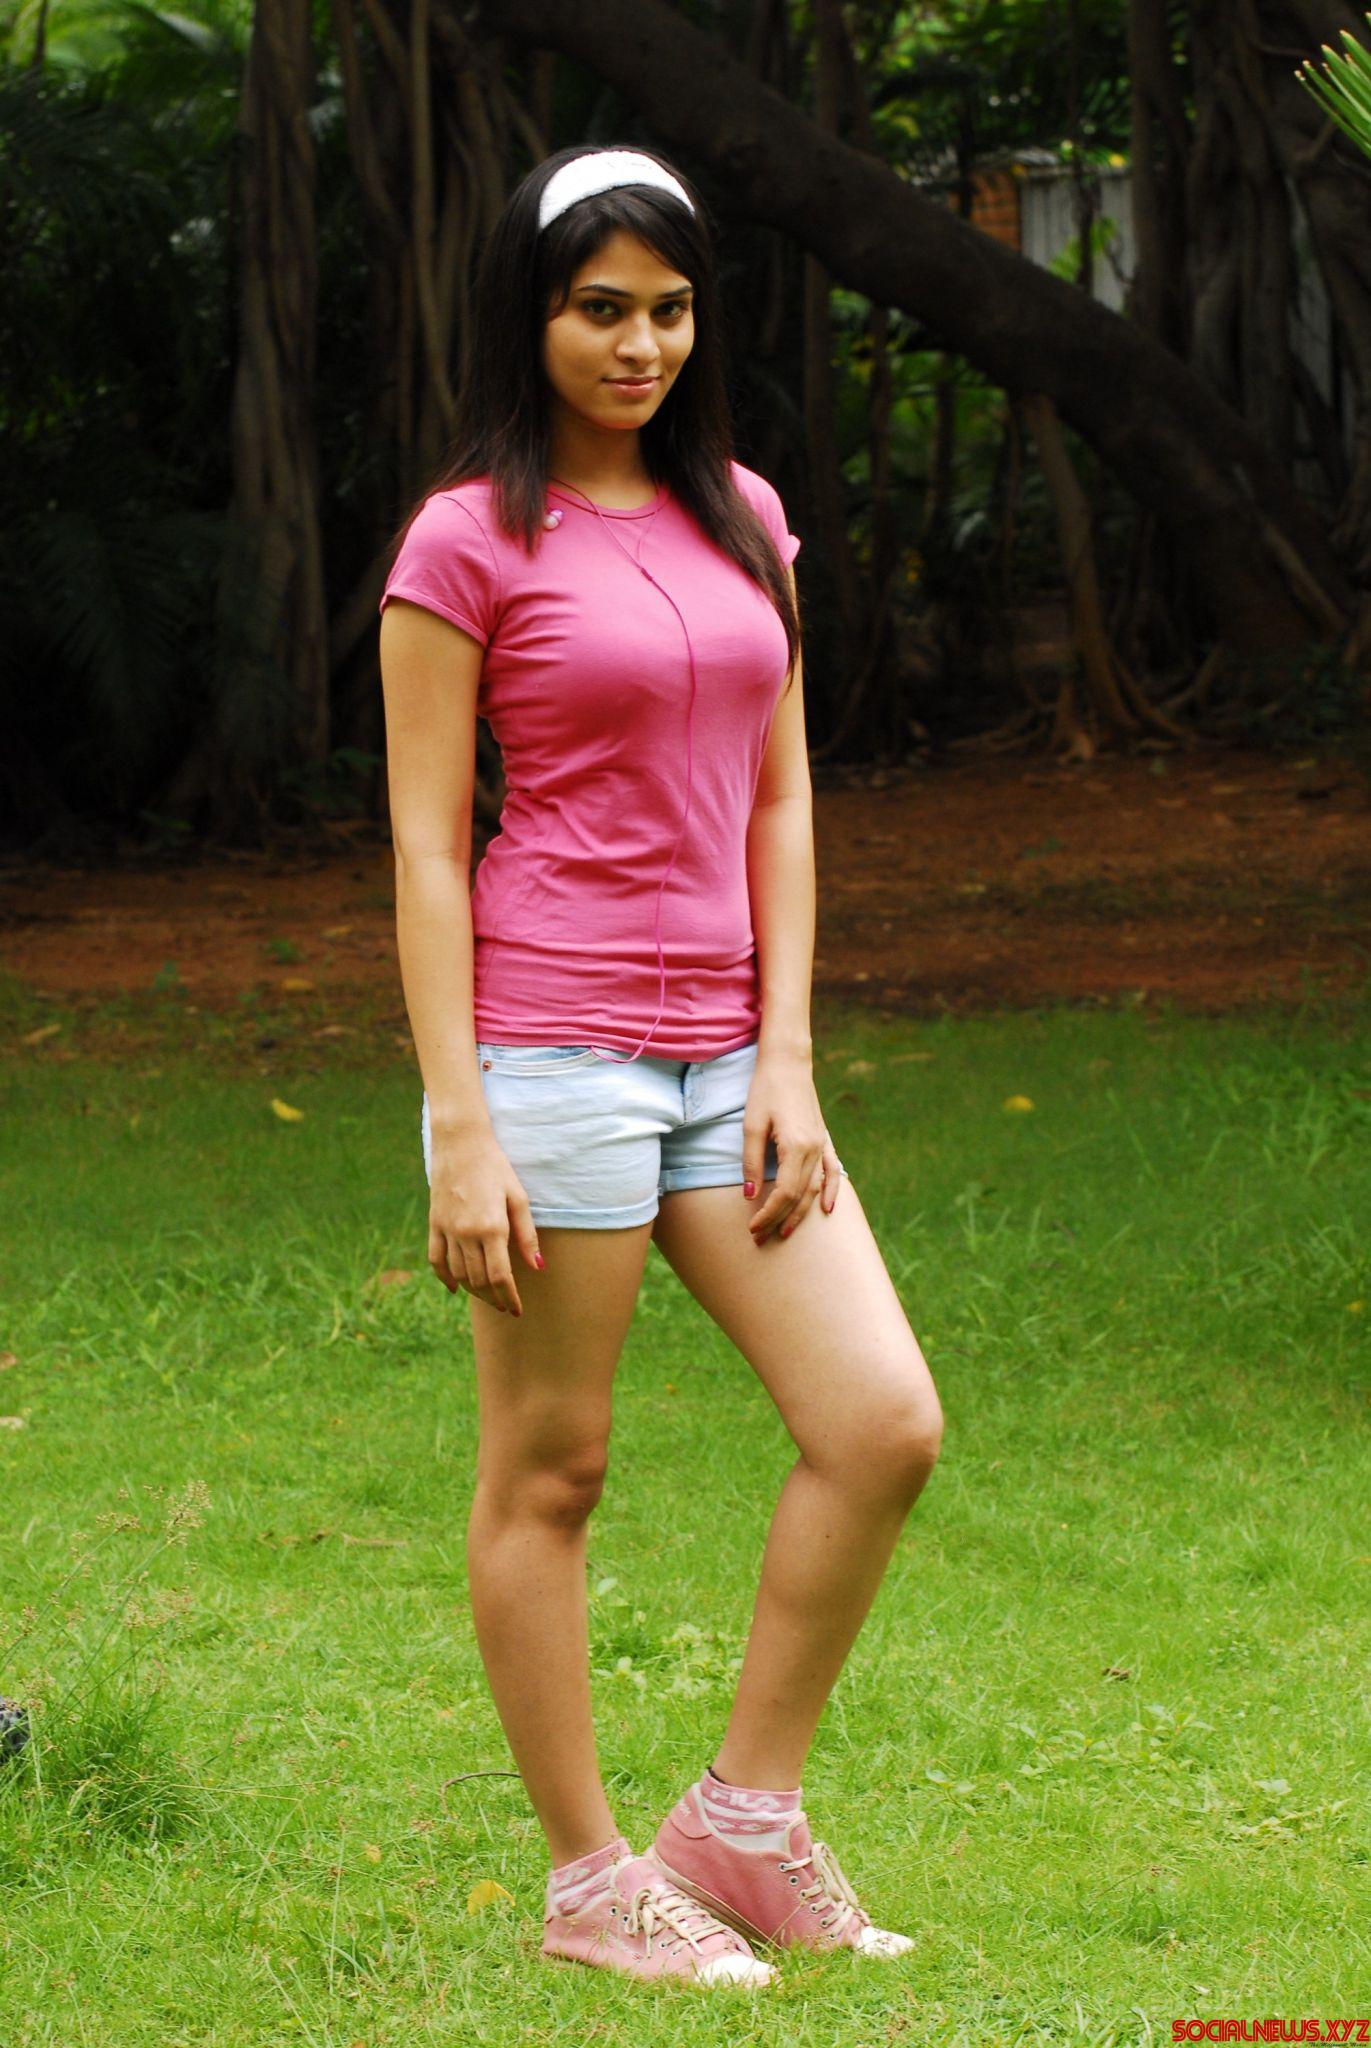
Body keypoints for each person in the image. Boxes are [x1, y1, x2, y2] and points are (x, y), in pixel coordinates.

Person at [377, 143, 944, 1989]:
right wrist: (460, 1122)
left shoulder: (747, 516)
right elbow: (427, 846)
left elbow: (780, 798)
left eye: (671, 310)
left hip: (729, 1064)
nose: (639, 345)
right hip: (553, 1052)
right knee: (554, 1469)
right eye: (599, 308)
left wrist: (791, 1057)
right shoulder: (466, 539)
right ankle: (589, 1883)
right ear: (530, 316)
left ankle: (744, 1825)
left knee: (881, 1424)